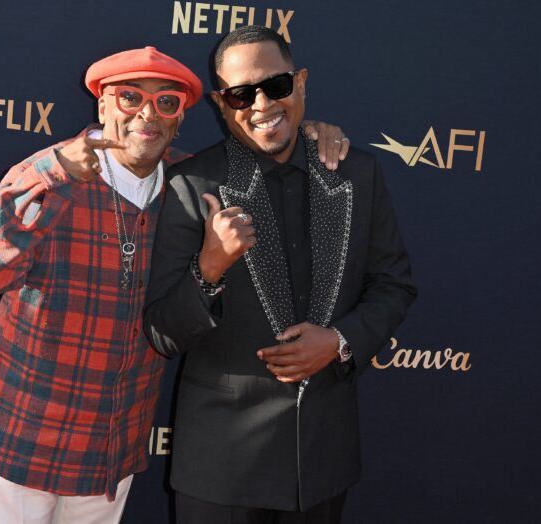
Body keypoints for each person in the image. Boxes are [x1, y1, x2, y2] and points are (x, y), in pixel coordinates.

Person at [0, 45, 349, 524]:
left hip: (113, 447)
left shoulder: (190, 184)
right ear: (102, 105)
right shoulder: (48, 173)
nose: (148, 113)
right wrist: (51, 174)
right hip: (27, 434)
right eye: (129, 97)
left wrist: (313, 136)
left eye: (166, 102)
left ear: (180, 118)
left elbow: (273, 150)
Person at [143, 26, 417, 523]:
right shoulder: (193, 184)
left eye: (277, 85)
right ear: (222, 103)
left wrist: (339, 341)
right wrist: (209, 269)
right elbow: (163, 332)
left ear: (301, 83)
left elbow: (393, 284)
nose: (262, 103)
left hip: (321, 460)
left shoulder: (356, 174)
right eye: (242, 93)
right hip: (220, 468)